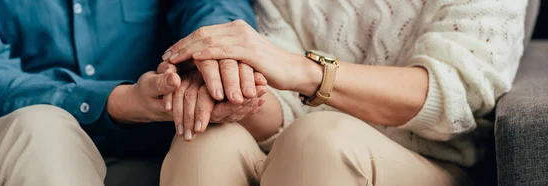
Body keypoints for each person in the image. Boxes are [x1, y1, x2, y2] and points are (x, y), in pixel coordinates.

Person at [160, 0, 527, 185]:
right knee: (203, 137)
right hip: (295, 150)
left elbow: (455, 96)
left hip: (433, 161)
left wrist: (307, 72)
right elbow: (281, 109)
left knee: (320, 138)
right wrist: (221, 84)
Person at [0, 0, 263, 185]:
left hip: (156, 145)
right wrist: (118, 102)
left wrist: (210, 63)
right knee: (39, 129)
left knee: (214, 139)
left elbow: (213, 7)